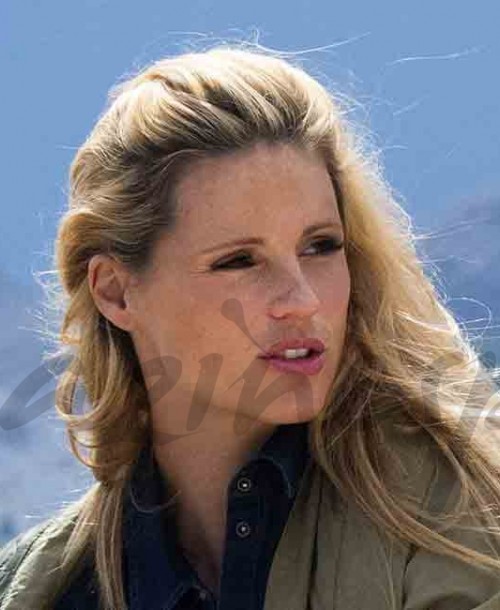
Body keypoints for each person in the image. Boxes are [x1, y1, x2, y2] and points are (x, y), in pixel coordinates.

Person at [1, 44, 500, 610]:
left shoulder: (454, 508)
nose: (302, 300)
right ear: (115, 291)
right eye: (239, 261)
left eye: (321, 246)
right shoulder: (39, 588)